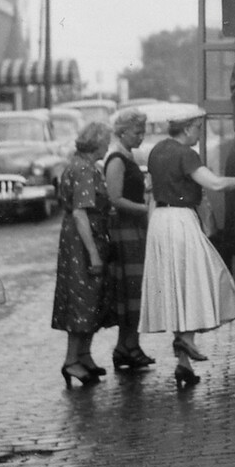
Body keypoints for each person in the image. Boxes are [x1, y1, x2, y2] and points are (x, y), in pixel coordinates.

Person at [139, 107, 235, 390]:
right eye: (198, 128)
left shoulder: (157, 150)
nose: (199, 133)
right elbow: (216, 183)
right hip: (181, 220)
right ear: (187, 129)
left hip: (160, 221)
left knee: (177, 285)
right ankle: (186, 341)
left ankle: (183, 362)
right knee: (202, 278)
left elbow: (150, 192)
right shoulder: (186, 154)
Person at [52, 121, 115, 388]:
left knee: (90, 297)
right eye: (105, 142)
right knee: (82, 299)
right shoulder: (84, 170)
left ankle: (83, 355)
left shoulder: (81, 166)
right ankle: (71, 360)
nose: (107, 146)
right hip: (83, 241)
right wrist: (93, 254)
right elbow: (80, 212)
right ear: (97, 144)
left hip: (83, 238)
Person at [103, 108, 153, 372]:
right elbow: (114, 198)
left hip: (132, 227)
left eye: (143, 131)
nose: (141, 136)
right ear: (122, 132)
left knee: (134, 289)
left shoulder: (127, 155)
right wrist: (146, 209)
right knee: (131, 289)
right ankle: (127, 346)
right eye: (137, 132)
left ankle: (128, 346)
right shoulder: (117, 159)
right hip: (125, 229)